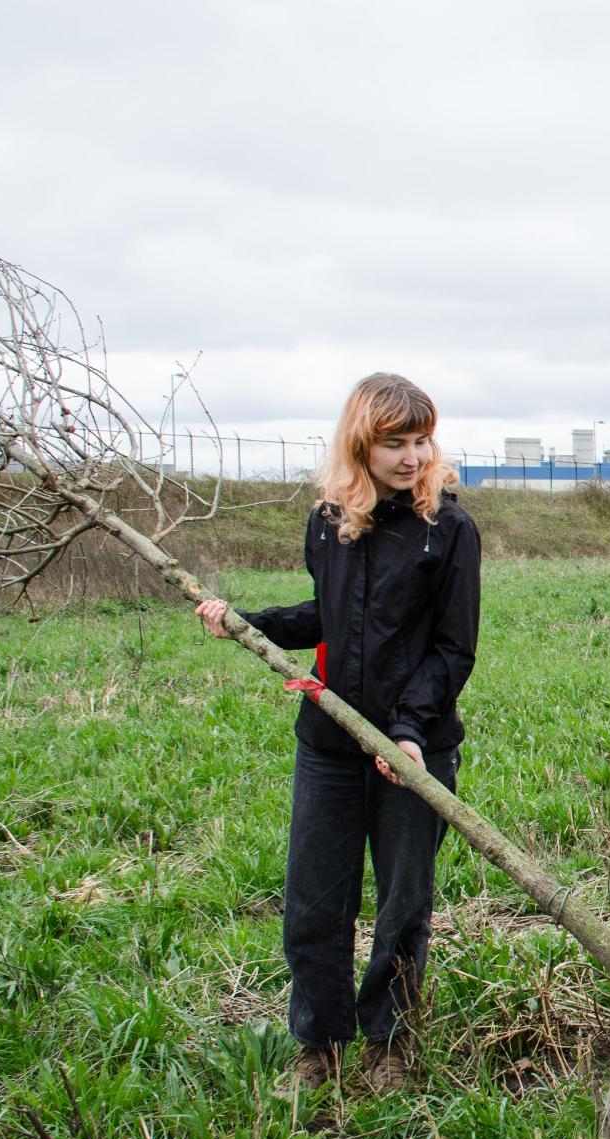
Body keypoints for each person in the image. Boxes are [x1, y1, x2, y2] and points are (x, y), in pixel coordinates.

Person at [195, 373, 481, 1094]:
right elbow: (328, 615)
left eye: (421, 440)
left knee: (402, 903)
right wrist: (250, 623)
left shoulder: (448, 530)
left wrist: (411, 733)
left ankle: (388, 1042)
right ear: (361, 443)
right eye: (394, 443)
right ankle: (317, 1045)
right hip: (328, 744)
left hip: (413, 750)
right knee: (314, 902)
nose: (412, 457)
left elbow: (453, 648)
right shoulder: (330, 520)